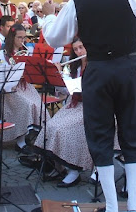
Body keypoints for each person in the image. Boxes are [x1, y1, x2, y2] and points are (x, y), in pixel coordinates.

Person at [42, 0, 136, 212]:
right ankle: (132, 204)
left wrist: (49, 16)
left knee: (100, 135)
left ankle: (110, 205)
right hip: (128, 67)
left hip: (97, 70)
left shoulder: (78, 1)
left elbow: (53, 39)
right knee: (131, 133)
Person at [32, 38, 88, 187]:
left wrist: (64, 78)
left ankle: (73, 170)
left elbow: (81, 89)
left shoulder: (96, 67)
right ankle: (59, 166)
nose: (79, 52)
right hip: (73, 105)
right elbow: (67, 91)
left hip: (89, 108)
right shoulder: (75, 67)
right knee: (50, 126)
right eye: (76, 49)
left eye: (81, 48)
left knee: (62, 129)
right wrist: (56, 76)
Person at [0, 23, 48, 152]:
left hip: (24, 86)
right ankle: (20, 142)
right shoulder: (2, 54)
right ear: (12, 37)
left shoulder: (25, 52)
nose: (22, 41)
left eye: (24, 37)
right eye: (19, 37)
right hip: (10, 89)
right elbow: (0, 76)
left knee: (39, 104)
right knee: (26, 105)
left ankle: (37, 138)